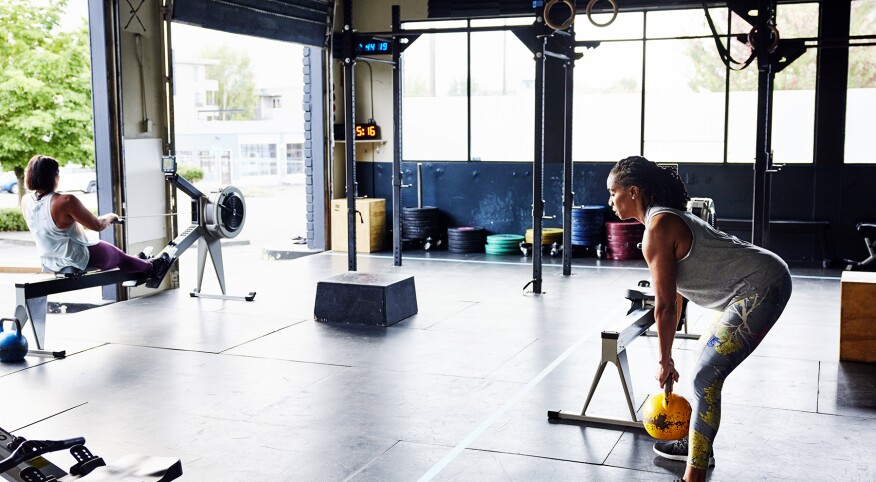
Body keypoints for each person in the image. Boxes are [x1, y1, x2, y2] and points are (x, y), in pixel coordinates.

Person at [606, 156, 792, 482]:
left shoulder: (658, 228)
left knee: (706, 376)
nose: (610, 202)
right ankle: (697, 444)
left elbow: (663, 306)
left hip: (762, 287)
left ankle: (694, 475)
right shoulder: (664, 221)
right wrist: (669, 355)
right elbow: (674, 296)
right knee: (703, 361)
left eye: (613, 193)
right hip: (755, 285)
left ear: (633, 191)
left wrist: (663, 361)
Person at [21, 154, 167, 280]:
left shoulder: (26, 201)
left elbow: (51, 225)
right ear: (54, 176)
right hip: (76, 257)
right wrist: (111, 216)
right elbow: (97, 225)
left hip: (50, 260)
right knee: (118, 256)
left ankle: (136, 260)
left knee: (121, 257)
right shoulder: (65, 201)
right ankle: (152, 267)